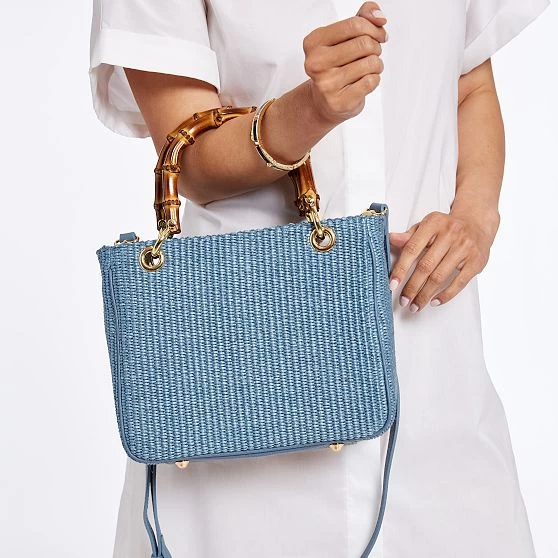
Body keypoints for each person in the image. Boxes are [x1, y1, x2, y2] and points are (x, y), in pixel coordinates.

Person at [89, 0, 550, 556]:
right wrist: (309, 110)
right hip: (241, 372)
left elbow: (468, 83)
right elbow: (187, 159)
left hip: (432, 368)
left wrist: (476, 215)